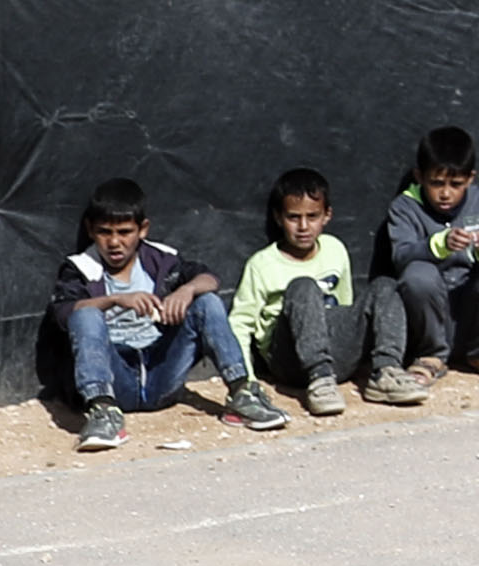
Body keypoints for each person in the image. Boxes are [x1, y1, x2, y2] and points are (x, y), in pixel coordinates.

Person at [56, 178, 285, 452]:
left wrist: (186, 290)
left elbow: (210, 278)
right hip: (117, 379)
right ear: (91, 231)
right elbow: (64, 313)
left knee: (207, 301)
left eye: (124, 232)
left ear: (142, 230)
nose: (114, 242)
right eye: (105, 232)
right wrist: (116, 299)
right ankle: (103, 412)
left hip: (162, 371)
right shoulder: (80, 267)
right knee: (86, 314)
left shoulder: (161, 259)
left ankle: (242, 394)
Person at [235, 166, 393, 413]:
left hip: (336, 353)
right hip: (291, 361)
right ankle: (319, 379)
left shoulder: (335, 249)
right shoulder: (262, 265)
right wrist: (246, 379)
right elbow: (241, 324)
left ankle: (386, 372)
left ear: (327, 215)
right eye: (294, 217)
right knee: (303, 286)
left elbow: (344, 305)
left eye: (312, 216)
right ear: (278, 218)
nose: (303, 226)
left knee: (385, 287)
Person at [379, 126, 479, 386]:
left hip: (470, 307)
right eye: (436, 183)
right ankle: (431, 356)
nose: (445, 193)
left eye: (455, 184)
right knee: (417, 274)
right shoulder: (404, 207)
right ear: (419, 176)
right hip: (428, 313)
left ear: (470, 179)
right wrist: (438, 245)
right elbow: (401, 255)